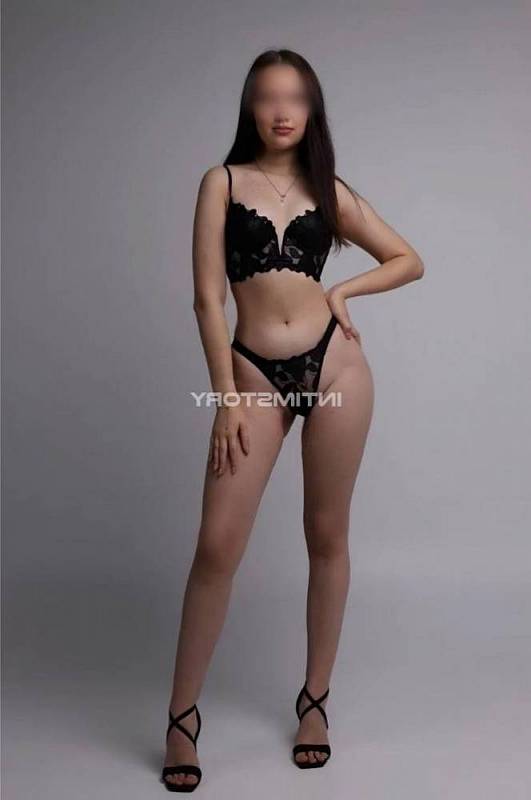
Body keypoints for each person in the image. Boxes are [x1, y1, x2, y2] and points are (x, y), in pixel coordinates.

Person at [161, 48, 424, 791]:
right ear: (250, 106)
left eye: (297, 98)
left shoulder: (326, 188)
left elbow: (407, 259)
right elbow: (207, 300)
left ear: (312, 110)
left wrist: (342, 294)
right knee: (217, 545)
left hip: (335, 367)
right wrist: (224, 399)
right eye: (268, 97)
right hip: (251, 375)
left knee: (326, 535)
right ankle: (181, 719)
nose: (282, 111)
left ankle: (314, 703)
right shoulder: (221, 182)